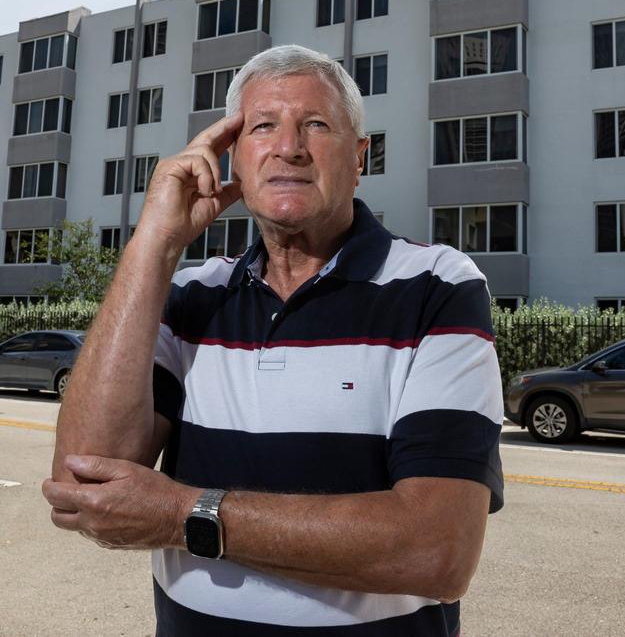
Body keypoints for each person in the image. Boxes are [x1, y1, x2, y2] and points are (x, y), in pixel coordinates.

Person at [43, 44, 504, 636]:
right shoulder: (192, 295)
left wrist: (185, 515)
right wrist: (154, 244)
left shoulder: (436, 285)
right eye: (263, 125)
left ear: (360, 157)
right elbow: (82, 481)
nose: (290, 146)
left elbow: (436, 550)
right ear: (233, 158)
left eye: (316, 124)